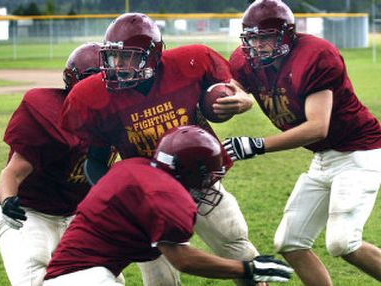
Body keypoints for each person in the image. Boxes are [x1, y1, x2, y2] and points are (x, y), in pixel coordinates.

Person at [60, 12, 262, 286]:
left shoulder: (190, 62)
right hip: (149, 198)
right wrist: (119, 195)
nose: (117, 65)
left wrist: (244, 102)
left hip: (199, 181)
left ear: (152, 55)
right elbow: (95, 160)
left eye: (127, 57)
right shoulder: (92, 96)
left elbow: (235, 91)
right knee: (160, 281)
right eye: (113, 56)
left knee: (238, 250)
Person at [223, 0, 381, 285]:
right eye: (252, 38)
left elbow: (317, 127)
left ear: (286, 34)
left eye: (266, 38)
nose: (258, 46)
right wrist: (242, 100)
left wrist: (257, 145)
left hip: (358, 151)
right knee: (290, 242)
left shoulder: (315, 55)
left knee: (342, 242)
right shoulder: (243, 61)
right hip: (322, 159)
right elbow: (237, 91)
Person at [43, 126, 293, 286]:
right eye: (207, 175)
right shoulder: (166, 196)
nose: (209, 182)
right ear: (191, 170)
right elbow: (183, 260)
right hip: (85, 279)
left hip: (69, 276)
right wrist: (247, 268)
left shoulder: (133, 167)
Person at [0, 42, 119, 286]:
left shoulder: (117, 114)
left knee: (106, 279)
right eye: (94, 79)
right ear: (73, 82)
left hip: (74, 216)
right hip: (29, 213)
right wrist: (8, 202)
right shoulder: (49, 113)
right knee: (34, 282)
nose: (101, 87)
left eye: (106, 78)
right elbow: (13, 172)